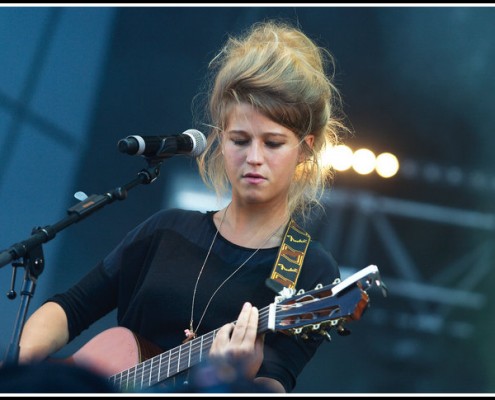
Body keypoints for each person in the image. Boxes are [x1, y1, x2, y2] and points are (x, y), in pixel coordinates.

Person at [14, 19, 349, 393]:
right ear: (220, 140)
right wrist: (21, 371)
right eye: (240, 139)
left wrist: (231, 380)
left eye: (272, 143)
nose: (254, 157)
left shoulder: (307, 266)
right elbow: (69, 308)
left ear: (305, 148)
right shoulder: (166, 230)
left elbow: (275, 383)